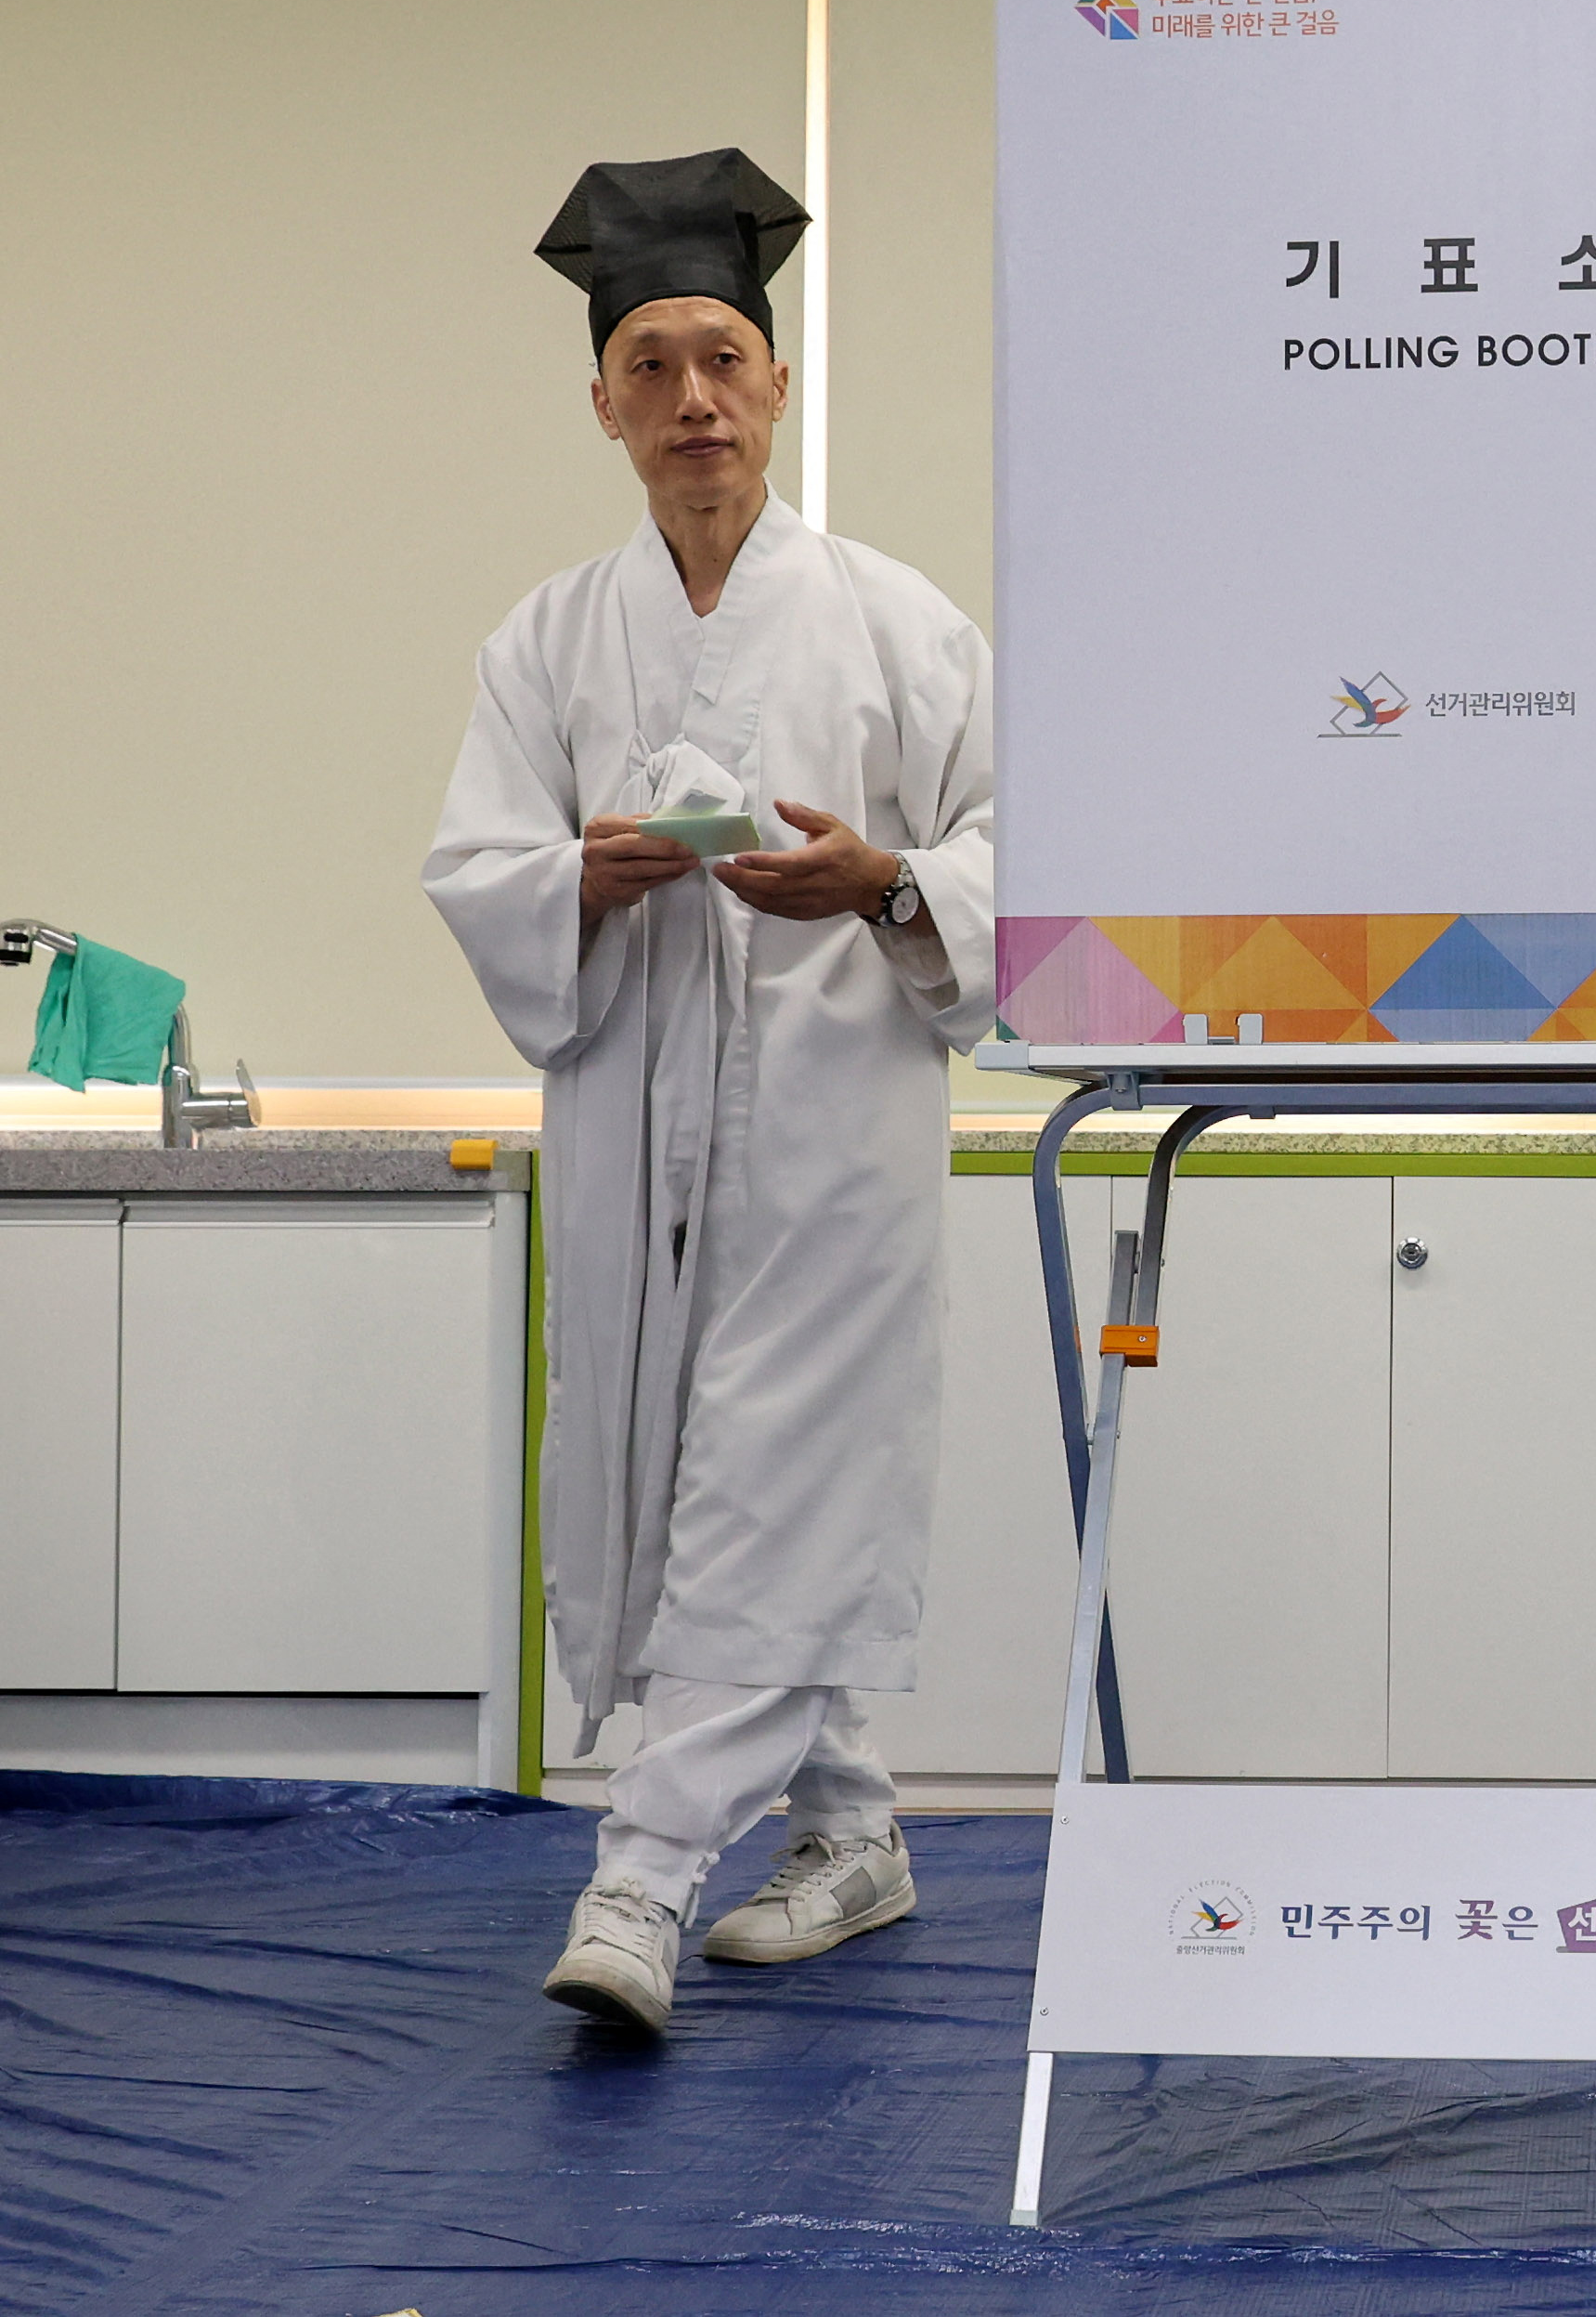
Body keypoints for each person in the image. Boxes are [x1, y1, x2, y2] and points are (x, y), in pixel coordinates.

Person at [423, 150, 997, 2036]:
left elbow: (1022, 853)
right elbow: (477, 860)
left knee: (773, 1484)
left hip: (834, 1137)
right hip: (631, 1131)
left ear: (778, 384)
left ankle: (642, 1878)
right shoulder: (546, 638)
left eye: (723, 360)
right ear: (603, 402)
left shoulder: (903, 625)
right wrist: (574, 881)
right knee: (688, 1487)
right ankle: (852, 1831)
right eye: (651, 367)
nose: (692, 400)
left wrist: (887, 885)